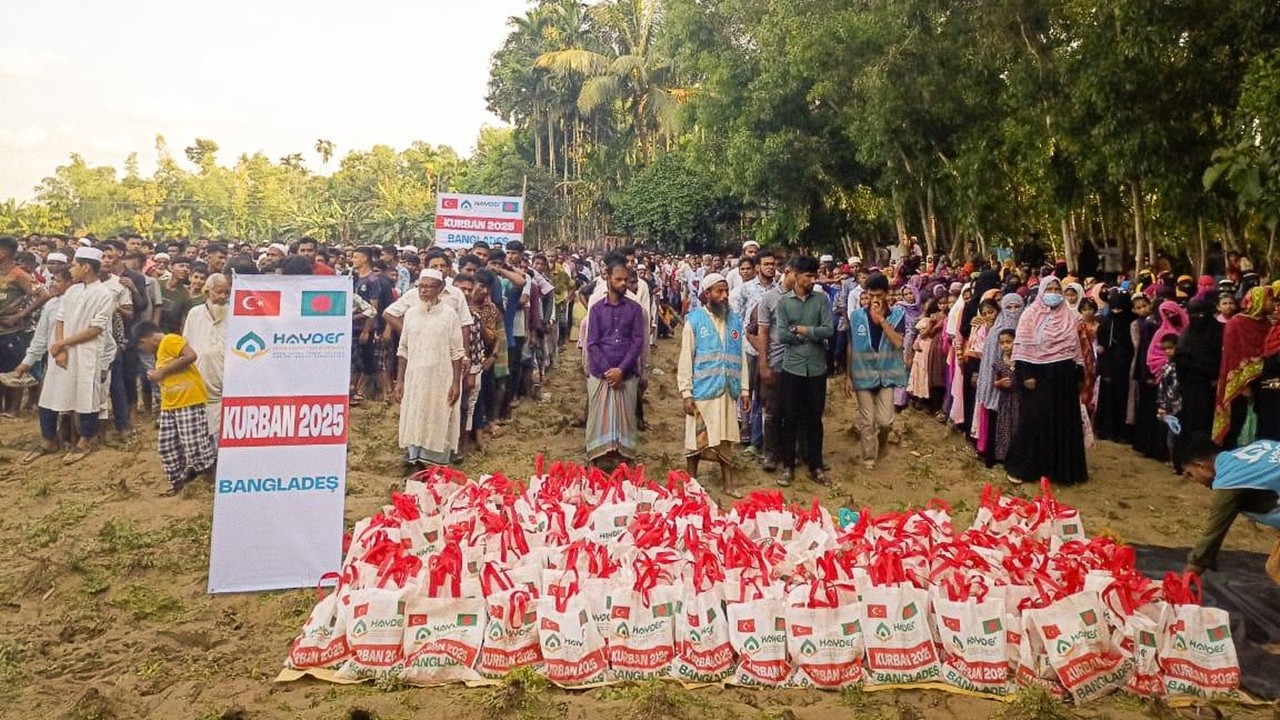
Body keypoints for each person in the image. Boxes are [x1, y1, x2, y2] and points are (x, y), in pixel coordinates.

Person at [24, 247, 116, 465]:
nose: (71, 269)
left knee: (85, 398)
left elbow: (95, 330)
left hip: (85, 354)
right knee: (49, 396)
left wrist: (62, 344)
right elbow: (61, 319)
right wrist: (60, 349)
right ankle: (48, 440)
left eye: (75, 265)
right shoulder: (73, 291)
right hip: (62, 354)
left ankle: (85, 441)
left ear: (86, 267)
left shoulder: (104, 295)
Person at [1005, 277, 1088, 485]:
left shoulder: (1069, 316)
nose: (1053, 293)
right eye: (1049, 289)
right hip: (1037, 377)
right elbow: (1022, 348)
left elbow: (1075, 350)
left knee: (1063, 423)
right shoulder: (1030, 315)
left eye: (1056, 289)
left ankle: (1060, 471)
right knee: (1034, 422)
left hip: (1063, 377)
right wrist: (1026, 375)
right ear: (1041, 291)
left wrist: (1078, 375)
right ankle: (1024, 469)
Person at [677, 273, 750, 497]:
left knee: (726, 438)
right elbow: (686, 358)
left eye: (726, 291)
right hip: (703, 391)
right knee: (695, 440)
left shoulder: (735, 321)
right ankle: (691, 483)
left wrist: (745, 389)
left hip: (728, 390)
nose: (725, 295)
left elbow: (742, 358)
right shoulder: (695, 321)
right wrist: (686, 393)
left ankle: (728, 484)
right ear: (707, 294)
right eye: (719, 291)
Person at [1178, 433, 1280, 584]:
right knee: (1275, 567)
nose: (1194, 481)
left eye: (1191, 474)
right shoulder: (1259, 446)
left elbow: (1210, 539)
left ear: (1201, 466)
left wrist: (1183, 582)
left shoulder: (1230, 483)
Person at [133, 322, 216, 495]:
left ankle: (210, 478)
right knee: (167, 445)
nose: (145, 352)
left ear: (145, 340)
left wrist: (162, 373)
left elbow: (190, 356)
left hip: (188, 400)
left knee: (194, 443)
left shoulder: (170, 340)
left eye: (142, 347)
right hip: (171, 403)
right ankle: (179, 482)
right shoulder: (161, 352)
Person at [393, 270, 464, 467]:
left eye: (429, 286)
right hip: (415, 377)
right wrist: (400, 381)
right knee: (414, 415)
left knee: (438, 416)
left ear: (440, 289)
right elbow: (403, 349)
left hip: (441, 378)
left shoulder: (449, 315)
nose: (424, 290)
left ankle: (433, 466)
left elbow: (457, 352)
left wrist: (456, 383)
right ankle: (413, 459)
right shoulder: (411, 314)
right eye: (421, 286)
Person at [774, 255, 834, 486]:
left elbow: (828, 330)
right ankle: (788, 466)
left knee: (814, 419)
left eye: (814, 275)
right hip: (792, 367)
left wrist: (801, 330)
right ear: (796, 275)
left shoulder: (822, 300)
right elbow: (783, 335)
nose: (812, 280)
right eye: (808, 276)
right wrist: (810, 333)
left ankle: (816, 465)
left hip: (817, 368)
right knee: (789, 418)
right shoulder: (784, 302)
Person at [584, 259, 646, 468]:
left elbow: (637, 342)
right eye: (618, 279)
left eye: (625, 280)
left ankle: (625, 460)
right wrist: (608, 372)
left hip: (626, 373)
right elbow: (592, 343)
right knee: (598, 420)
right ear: (607, 278)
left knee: (626, 420)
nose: (622, 284)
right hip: (601, 373)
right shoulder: (596, 309)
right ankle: (597, 459)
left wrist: (621, 370)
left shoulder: (636, 309)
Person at [844, 271, 907, 470]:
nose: (874, 300)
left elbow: (898, 342)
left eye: (878, 295)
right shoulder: (856, 316)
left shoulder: (898, 314)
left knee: (885, 421)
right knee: (867, 421)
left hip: (887, 375)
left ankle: (884, 441)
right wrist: (848, 376)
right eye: (870, 295)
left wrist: (881, 320)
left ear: (887, 294)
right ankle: (869, 459)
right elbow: (851, 345)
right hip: (862, 375)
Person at [1213, 286, 1274, 447]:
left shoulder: (1268, 325)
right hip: (1239, 385)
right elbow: (1231, 357)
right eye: (1270, 299)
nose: (1273, 303)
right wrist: (1243, 385)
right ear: (1259, 301)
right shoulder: (1236, 324)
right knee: (1236, 424)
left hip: (1263, 383)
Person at [183, 274, 229, 442]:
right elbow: (187, 341)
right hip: (201, 375)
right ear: (208, 292)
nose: (223, 297)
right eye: (219, 292)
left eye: (226, 293)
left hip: (224, 375)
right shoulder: (195, 314)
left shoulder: (233, 314)